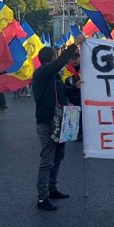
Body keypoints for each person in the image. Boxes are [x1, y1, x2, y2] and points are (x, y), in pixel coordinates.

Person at [33, 35, 83, 211]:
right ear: (52, 58)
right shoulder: (42, 73)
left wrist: (73, 87)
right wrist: (74, 44)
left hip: (60, 119)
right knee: (47, 159)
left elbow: (62, 92)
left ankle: (52, 188)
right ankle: (42, 198)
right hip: (47, 122)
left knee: (58, 156)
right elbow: (61, 62)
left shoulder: (53, 76)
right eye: (55, 58)